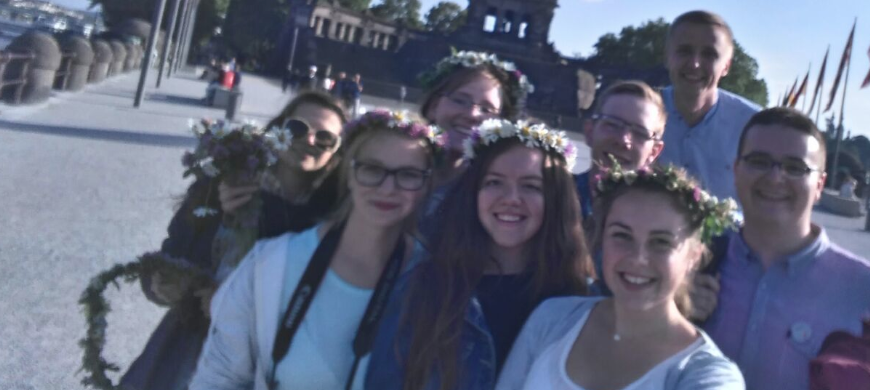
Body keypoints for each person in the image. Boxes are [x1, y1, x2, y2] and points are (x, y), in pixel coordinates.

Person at [191, 109, 444, 390]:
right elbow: (218, 378)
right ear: (349, 173)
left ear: (426, 185)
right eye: (372, 169)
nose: (388, 188)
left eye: (408, 175)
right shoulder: (271, 265)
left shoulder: (438, 284)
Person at [120, 91, 349, 390]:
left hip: (268, 364)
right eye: (297, 128)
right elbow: (171, 257)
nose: (309, 140)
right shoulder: (227, 179)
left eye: (325, 138)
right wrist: (168, 283)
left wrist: (230, 305)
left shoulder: (333, 215)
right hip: (192, 347)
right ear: (279, 128)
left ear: (338, 150)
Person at [703, 107, 870, 389]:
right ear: (735, 170)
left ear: (819, 185)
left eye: (795, 167)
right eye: (759, 161)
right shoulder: (692, 263)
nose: (775, 177)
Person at [366, 118, 591, 390]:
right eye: (494, 182)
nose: (511, 198)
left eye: (531, 186)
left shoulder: (581, 305)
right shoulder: (422, 288)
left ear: (556, 200)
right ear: (473, 192)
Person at [496, 165, 744, 390]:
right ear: (601, 239)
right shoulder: (552, 319)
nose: (638, 258)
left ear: (694, 257)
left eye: (661, 242)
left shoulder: (706, 374)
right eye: (622, 236)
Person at [415, 51, 532, 228]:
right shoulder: (391, 165)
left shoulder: (496, 197)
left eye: (486, 109)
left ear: (501, 124)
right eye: (460, 100)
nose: (472, 114)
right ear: (433, 107)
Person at [658, 11, 760, 202]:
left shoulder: (754, 127)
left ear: (726, 66)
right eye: (684, 51)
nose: (695, 64)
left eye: (709, 54)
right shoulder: (638, 114)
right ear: (667, 57)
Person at [575, 80, 667, 220]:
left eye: (640, 133)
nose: (623, 140)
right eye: (612, 125)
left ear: (654, 152)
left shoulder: (659, 219)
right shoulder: (553, 196)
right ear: (589, 132)